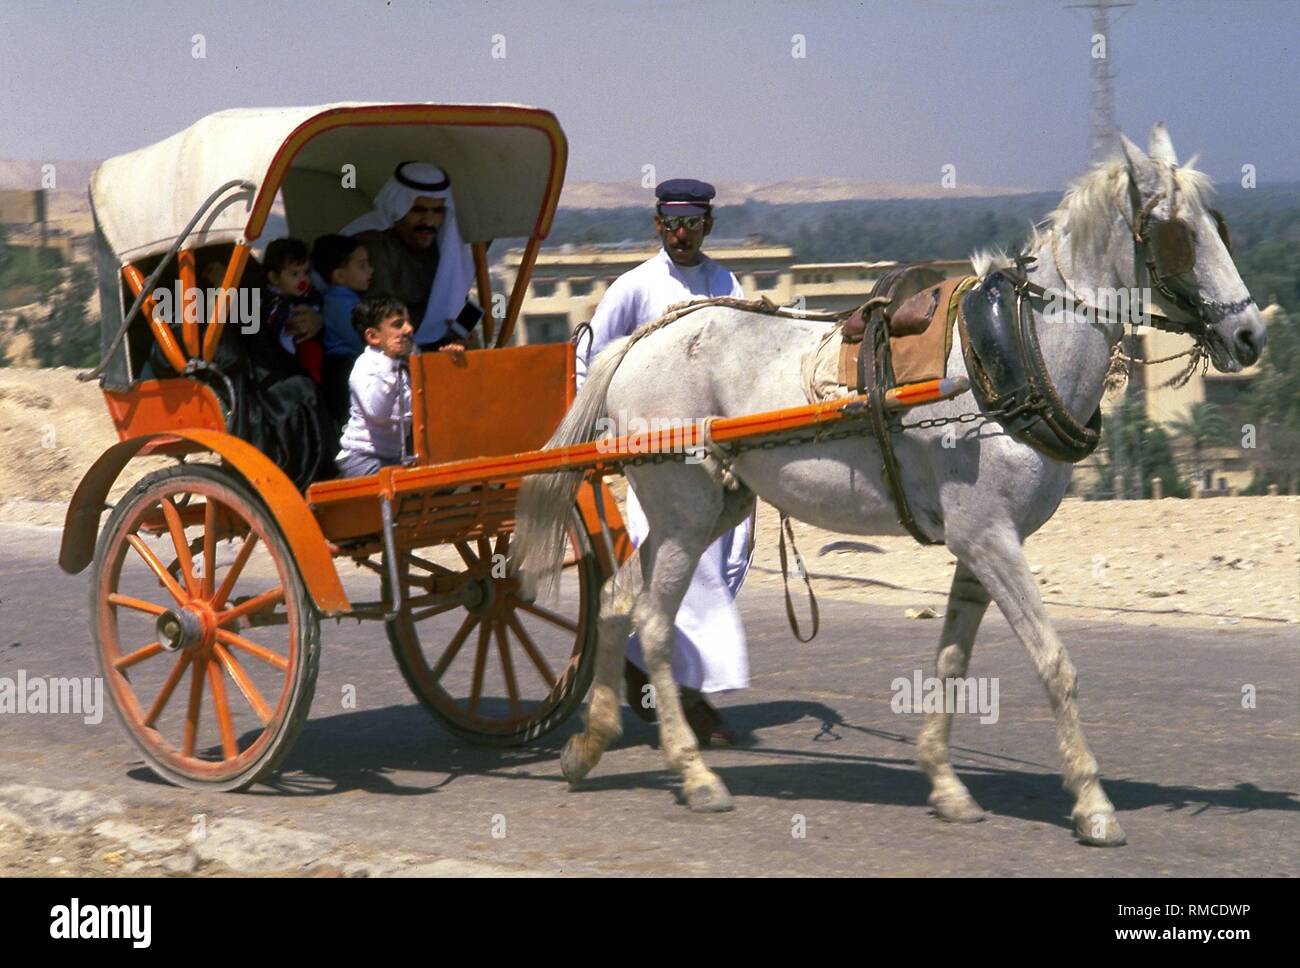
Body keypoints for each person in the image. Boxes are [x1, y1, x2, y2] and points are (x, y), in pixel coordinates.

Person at [576, 178, 754, 746]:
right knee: (689, 567)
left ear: (709, 226)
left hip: (722, 453)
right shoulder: (635, 287)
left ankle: (637, 662)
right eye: (672, 224)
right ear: (657, 225)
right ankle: (691, 699)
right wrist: (599, 435)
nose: (682, 235)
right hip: (658, 453)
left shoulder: (727, 282)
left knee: (727, 559)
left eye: (693, 225)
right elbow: (591, 356)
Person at [341, 162, 480, 350]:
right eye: (418, 210)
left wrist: (466, 337)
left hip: (434, 349)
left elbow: (457, 302)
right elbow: (382, 317)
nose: (428, 221)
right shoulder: (374, 244)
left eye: (437, 211)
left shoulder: (445, 246)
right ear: (398, 208)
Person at [335, 293, 465, 477]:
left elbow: (431, 398)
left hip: (394, 458)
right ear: (373, 336)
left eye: (408, 322)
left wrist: (448, 364)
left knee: (447, 474)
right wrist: (389, 359)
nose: (409, 328)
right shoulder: (366, 366)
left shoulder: (404, 362)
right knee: (397, 490)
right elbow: (377, 412)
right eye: (398, 325)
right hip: (363, 458)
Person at [311, 233, 374, 430]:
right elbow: (362, 342)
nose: (370, 270)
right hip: (344, 371)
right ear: (339, 276)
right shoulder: (342, 305)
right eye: (362, 265)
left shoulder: (343, 299)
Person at [263, 238, 326, 384]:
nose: (303, 279)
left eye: (306, 272)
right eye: (294, 274)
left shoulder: (310, 296)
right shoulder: (266, 303)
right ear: (274, 278)